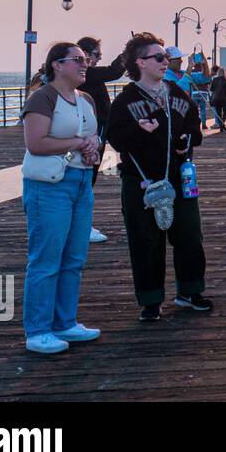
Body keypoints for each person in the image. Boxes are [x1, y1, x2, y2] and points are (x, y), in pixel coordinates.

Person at [104, 32, 212, 320]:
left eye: (166, 57)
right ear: (141, 62)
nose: (167, 62)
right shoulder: (124, 101)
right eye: (160, 57)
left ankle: (190, 291)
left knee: (189, 235)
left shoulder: (177, 93)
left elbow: (194, 127)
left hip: (179, 177)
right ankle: (150, 301)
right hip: (140, 182)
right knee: (146, 241)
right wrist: (140, 130)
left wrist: (185, 142)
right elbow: (115, 139)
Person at [19, 42, 102, 354]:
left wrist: (92, 144)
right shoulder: (43, 98)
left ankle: (65, 321)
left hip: (81, 182)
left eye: (87, 59)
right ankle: (38, 330)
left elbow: (89, 134)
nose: (85, 64)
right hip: (50, 186)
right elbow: (36, 143)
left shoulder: (86, 99)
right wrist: (81, 142)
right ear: (57, 65)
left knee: (74, 258)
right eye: (77, 60)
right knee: (46, 258)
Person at [77, 35, 125, 244]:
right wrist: (126, 55)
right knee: (87, 177)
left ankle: (79, 225)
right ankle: (81, 227)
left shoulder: (85, 74)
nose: (98, 59)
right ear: (85, 54)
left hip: (94, 132)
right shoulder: (86, 73)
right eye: (96, 55)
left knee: (87, 177)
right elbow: (113, 72)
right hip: (92, 134)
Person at [187, 55, 212, 129]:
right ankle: (204, 124)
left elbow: (188, 81)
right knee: (203, 109)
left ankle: (196, 124)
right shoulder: (204, 72)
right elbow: (208, 81)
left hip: (195, 92)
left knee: (195, 110)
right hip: (203, 92)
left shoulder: (191, 72)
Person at [210, 67, 226, 132]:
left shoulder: (214, 79)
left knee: (219, 114)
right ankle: (222, 125)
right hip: (224, 99)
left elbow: (211, 89)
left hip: (216, 99)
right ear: (224, 73)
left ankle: (222, 126)